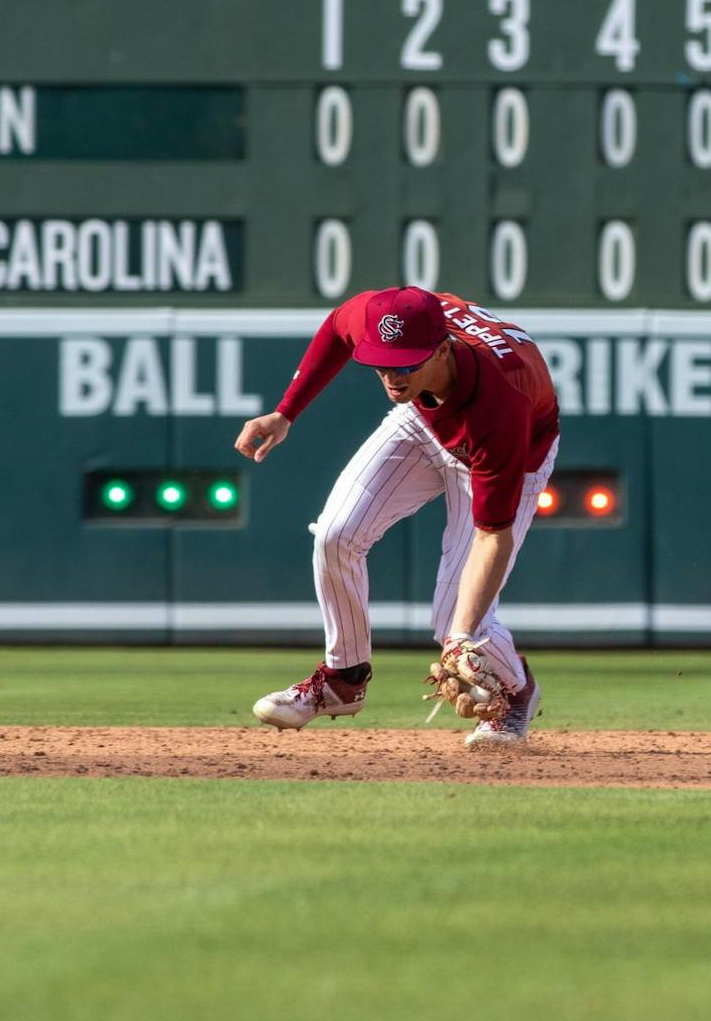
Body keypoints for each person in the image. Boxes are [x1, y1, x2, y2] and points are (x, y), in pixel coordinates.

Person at [233, 286, 560, 748]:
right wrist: (286, 412)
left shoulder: (500, 404)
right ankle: (342, 679)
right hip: (423, 421)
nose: (391, 374)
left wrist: (460, 640)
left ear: (443, 349)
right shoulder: (380, 316)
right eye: (382, 362)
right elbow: (335, 329)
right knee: (336, 534)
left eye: (407, 362)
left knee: (458, 625)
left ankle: (516, 692)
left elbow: (493, 537)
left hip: (515, 451)